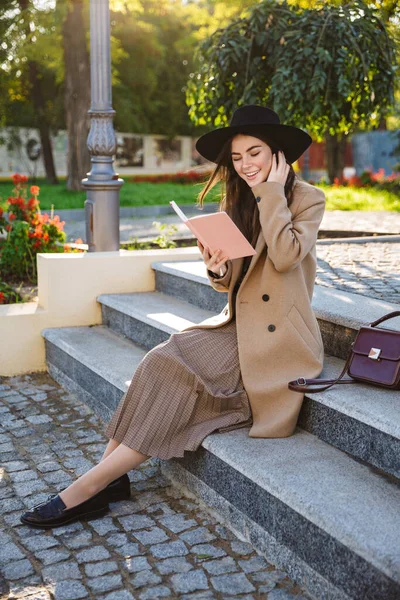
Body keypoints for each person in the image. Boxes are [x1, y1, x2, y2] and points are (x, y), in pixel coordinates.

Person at [21, 105, 326, 529]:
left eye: (254, 153)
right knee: (159, 359)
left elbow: (288, 255)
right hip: (237, 324)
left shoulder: (306, 198)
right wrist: (219, 266)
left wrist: (271, 192)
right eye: (236, 159)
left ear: (277, 153)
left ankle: (87, 489)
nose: (245, 165)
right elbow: (233, 282)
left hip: (279, 341)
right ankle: (105, 479)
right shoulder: (237, 197)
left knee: (181, 378)